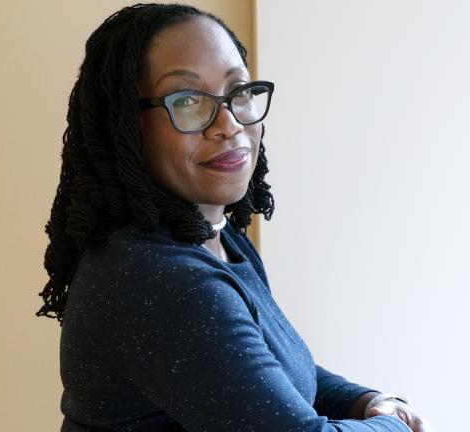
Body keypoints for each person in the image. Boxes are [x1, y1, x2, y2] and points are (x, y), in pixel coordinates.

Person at [36, 3, 432, 431]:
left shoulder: (215, 238)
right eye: (187, 100)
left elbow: (269, 369)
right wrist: (397, 427)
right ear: (128, 128)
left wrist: (368, 402)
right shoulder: (162, 277)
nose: (227, 124)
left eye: (238, 92)